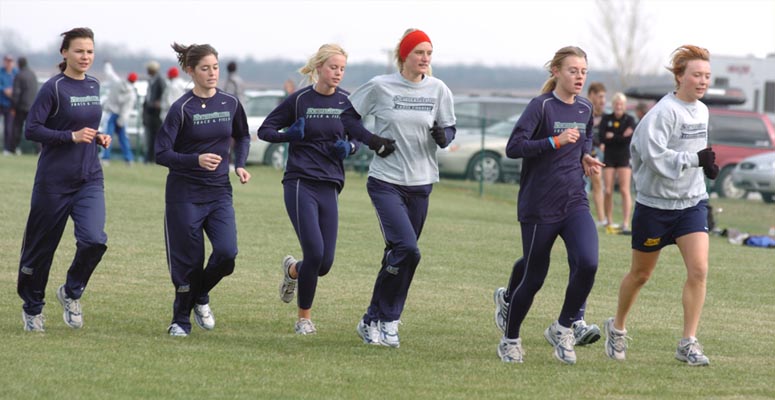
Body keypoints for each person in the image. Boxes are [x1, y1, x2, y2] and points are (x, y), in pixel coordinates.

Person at [341, 28, 456, 348]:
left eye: (429, 53)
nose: (425, 59)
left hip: (421, 184)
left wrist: (443, 137)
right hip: (385, 182)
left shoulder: (438, 89)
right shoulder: (381, 86)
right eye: (419, 52)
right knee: (408, 250)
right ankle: (389, 318)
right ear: (404, 55)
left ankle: (372, 319)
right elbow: (348, 118)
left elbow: (449, 127)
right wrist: (373, 141)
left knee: (398, 254)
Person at [603, 45, 718, 367]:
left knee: (699, 270)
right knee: (640, 275)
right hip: (655, 206)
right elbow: (651, 157)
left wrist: (705, 166)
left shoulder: (703, 110)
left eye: (707, 76)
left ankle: (688, 342)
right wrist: (693, 159)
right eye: (696, 74)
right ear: (680, 76)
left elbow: (696, 150)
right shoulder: (663, 113)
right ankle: (618, 327)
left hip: (691, 204)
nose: (702, 81)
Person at [494, 46, 605, 364]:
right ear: (556, 72)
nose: (580, 76)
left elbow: (586, 137)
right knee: (534, 276)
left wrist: (585, 155)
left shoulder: (585, 107)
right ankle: (510, 339)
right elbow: (514, 148)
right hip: (539, 205)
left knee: (588, 262)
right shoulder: (540, 107)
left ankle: (563, 327)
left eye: (583, 71)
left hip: (574, 201)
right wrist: (553, 142)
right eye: (573, 70)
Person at [258, 44, 359, 335]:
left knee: (324, 263)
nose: (338, 73)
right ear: (318, 68)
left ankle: (292, 271)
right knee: (314, 253)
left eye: (342, 68)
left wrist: (350, 147)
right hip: (300, 182)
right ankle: (304, 318)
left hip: (330, 184)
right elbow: (265, 130)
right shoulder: (300, 99)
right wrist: (288, 135)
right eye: (333, 67)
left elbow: (359, 137)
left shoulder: (347, 102)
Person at [17, 27, 112, 332]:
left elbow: (84, 126)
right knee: (40, 250)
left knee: (95, 240)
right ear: (64, 53)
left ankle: (71, 291)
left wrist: (97, 136)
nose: (85, 57)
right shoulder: (53, 88)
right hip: (53, 182)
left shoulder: (94, 85)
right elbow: (31, 130)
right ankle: (32, 308)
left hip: (89, 178)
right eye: (79, 51)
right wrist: (69, 137)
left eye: (90, 51)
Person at [156, 42, 251, 337]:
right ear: (191, 71)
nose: (212, 74)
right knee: (190, 262)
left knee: (227, 254)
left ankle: (200, 295)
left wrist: (240, 163)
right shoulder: (181, 108)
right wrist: (194, 160)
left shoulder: (230, 103)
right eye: (205, 68)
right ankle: (180, 320)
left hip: (219, 192)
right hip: (184, 195)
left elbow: (243, 136)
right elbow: (161, 153)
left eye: (215, 67)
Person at [599, 92, 635, 234]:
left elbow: (629, 139)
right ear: (613, 105)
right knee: (607, 190)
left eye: (621, 104)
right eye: (616, 104)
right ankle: (609, 220)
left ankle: (626, 222)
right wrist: (620, 136)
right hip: (609, 156)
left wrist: (613, 136)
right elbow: (602, 137)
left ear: (624, 106)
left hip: (624, 156)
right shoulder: (606, 118)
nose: (618, 106)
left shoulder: (630, 120)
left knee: (624, 190)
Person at [101, 61, 137, 165]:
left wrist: (107, 64)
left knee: (107, 137)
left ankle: (105, 158)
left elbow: (109, 73)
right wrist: (121, 122)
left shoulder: (117, 82)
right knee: (124, 140)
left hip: (111, 114)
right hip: (121, 116)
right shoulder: (131, 94)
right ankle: (129, 159)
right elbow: (126, 110)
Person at [587, 82, 607, 227]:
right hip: (580, 154)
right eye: (600, 96)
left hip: (594, 155)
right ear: (592, 95)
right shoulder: (583, 110)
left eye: (604, 97)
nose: (603, 100)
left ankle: (601, 219)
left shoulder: (604, 116)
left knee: (598, 182)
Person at [10, 56, 38, 155]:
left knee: (17, 128)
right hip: (32, 106)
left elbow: (16, 93)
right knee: (34, 128)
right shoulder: (33, 74)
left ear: (19, 64)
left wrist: (13, 106)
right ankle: (39, 150)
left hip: (21, 107)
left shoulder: (19, 75)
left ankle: (14, 149)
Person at [143, 60, 165, 163]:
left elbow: (163, 94)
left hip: (156, 113)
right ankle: (149, 157)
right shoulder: (152, 80)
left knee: (155, 136)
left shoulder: (160, 80)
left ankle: (153, 158)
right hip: (150, 111)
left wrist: (159, 102)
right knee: (150, 136)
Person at [1, 54, 18, 155]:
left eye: (10, 61)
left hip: (10, 105)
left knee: (9, 128)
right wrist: (4, 90)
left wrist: (13, 91)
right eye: (7, 61)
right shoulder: (1, 72)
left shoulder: (16, 73)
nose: (9, 63)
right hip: (1, 102)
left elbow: (19, 85)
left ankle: (7, 149)